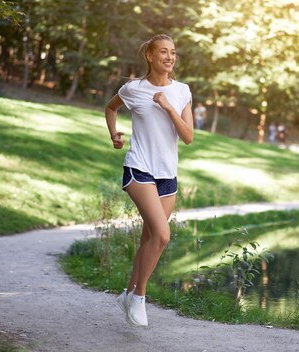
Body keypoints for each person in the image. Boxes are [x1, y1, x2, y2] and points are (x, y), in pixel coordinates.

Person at [104, 34, 193, 327]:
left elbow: (188, 137)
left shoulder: (182, 92)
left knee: (150, 239)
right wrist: (114, 133)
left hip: (168, 175)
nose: (169, 57)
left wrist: (168, 107)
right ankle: (139, 297)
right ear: (150, 57)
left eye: (173, 52)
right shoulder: (133, 88)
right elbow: (111, 107)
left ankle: (127, 293)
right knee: (163, 235)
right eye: (163, 52)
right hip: (139, 169)